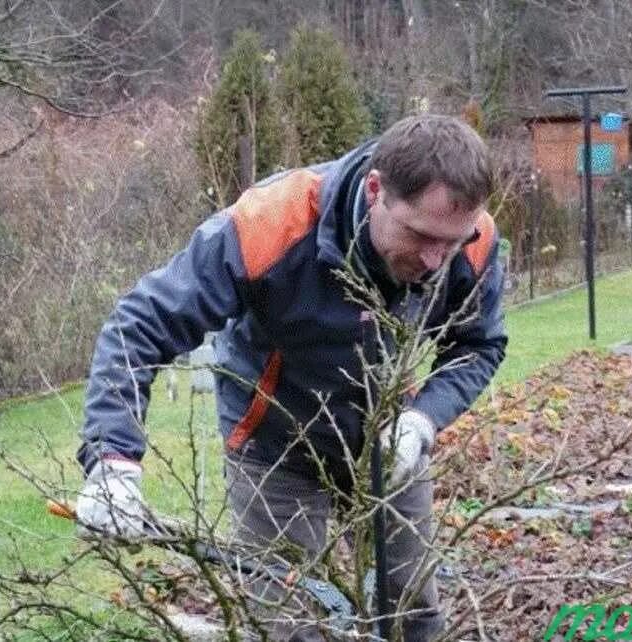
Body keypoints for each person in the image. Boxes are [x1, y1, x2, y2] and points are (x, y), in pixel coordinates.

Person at [75, 114, 507, 641]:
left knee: (411, 603)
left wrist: (422, 418)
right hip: (275, 441)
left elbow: (479, 344)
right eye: (421, 236)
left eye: (453, 242)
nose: (438, 260)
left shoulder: (470, 240)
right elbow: (140, 324)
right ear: (376, 191)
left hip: (390, 435)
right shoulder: (272, 225)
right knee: (289, 620)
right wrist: (112, 459)